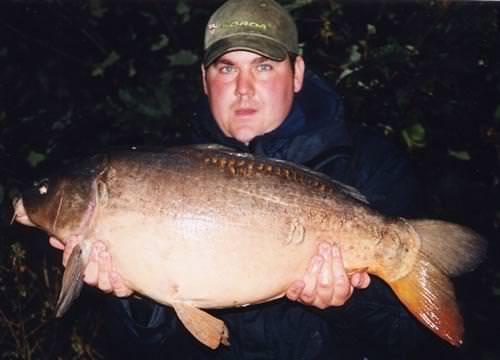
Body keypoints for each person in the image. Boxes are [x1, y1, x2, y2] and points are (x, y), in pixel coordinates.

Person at [50, 0, 434, 358]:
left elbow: (413, 345)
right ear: (205, 79)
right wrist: (134, 300)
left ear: (297, 73)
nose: (243, 87)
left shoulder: (368, 163)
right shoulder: (159, 170)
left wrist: (349, 304)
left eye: (264, 66)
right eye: (227, 68)